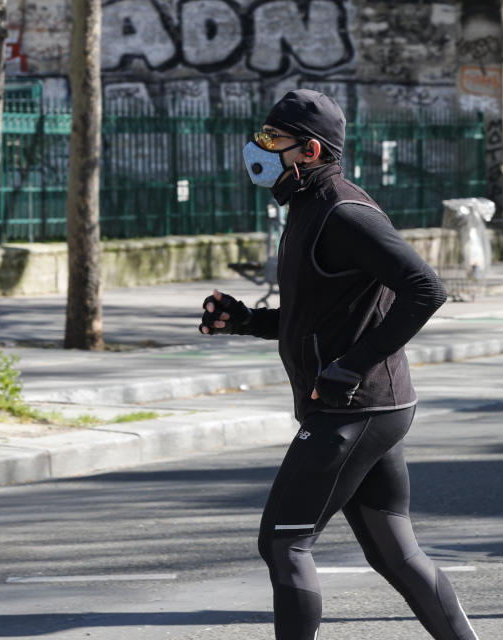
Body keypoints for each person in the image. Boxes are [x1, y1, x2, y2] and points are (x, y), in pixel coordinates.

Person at [198, 89, 479, 640]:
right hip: (369, 404)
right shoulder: (308, 206)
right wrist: (247, 319)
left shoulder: (345, 212)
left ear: (308, 150)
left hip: (358, 407)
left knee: (283, 542)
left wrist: (351, 367)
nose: (257, 147)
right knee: (394, 551)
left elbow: (426, 289)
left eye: (270, 139)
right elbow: (318, 316)